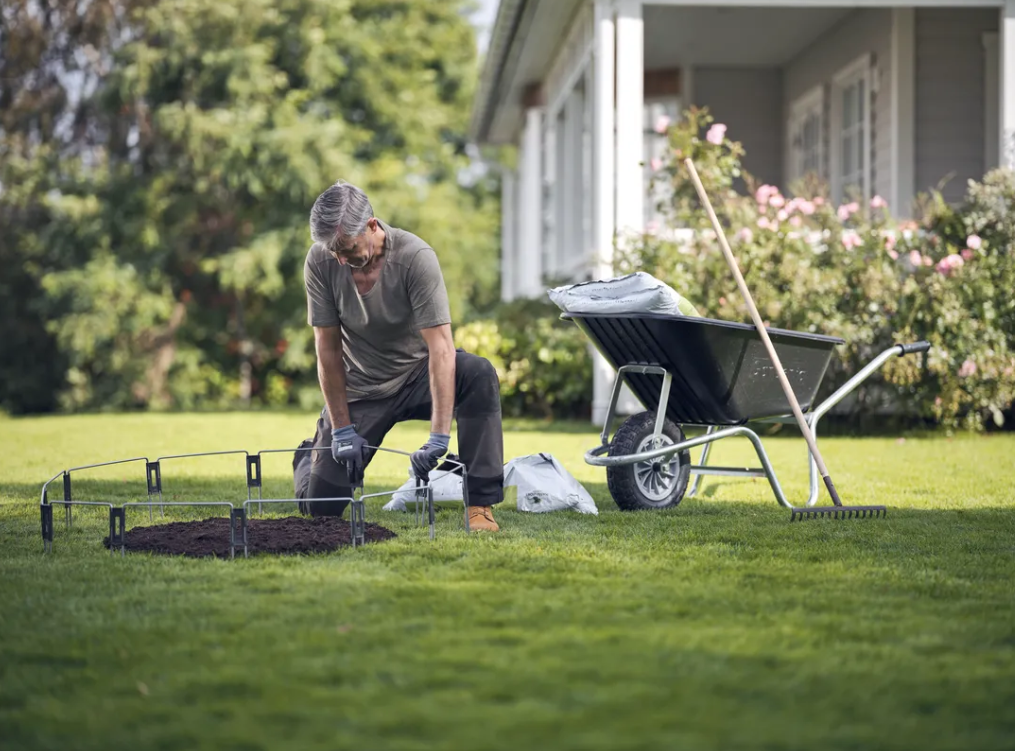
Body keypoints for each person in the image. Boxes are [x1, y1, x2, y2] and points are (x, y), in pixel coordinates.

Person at [291, 180, 503, 531]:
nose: (340, 260)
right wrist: (342, 430)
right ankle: (308, 455)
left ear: (372, 226)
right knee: (320, 510)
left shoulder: (415, 258)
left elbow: (441, 348)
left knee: (477, 373)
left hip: (418, 376)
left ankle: (480, 505)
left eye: (347, 248)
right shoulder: (321, 261)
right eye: (334, 253)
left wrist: (438, 439)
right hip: (362, 388)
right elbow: (327, 349)